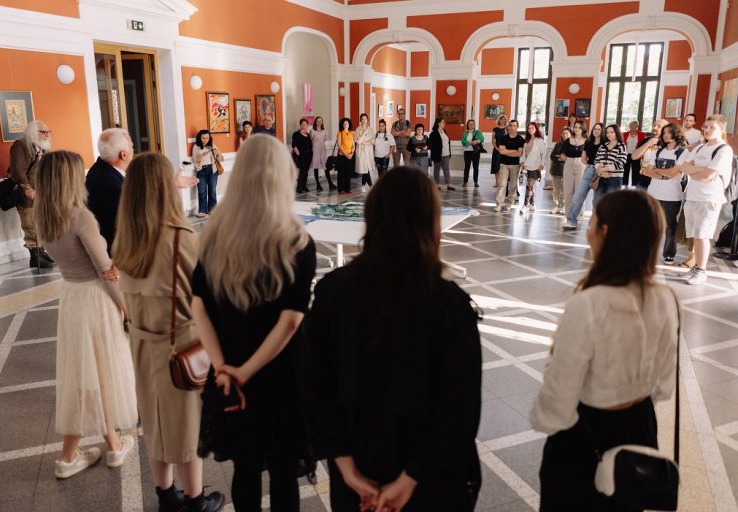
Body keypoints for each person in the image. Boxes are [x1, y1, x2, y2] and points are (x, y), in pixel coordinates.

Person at [301, 166, 482, 512]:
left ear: (371, 217)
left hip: (357, 471)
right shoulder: (450, 305)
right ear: (430, 223)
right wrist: (409, 479)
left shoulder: (333, 292)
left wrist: (346, 467)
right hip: (430, 481)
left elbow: (313, 386)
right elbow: (460, 407)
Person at [531, 189, 679, 512]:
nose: (588, 232)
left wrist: (548, 421)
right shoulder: (665, 299)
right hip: (640, 428)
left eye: (591, 223)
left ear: (605, 233)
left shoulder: (588, 304)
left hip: (585, 436)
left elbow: (558, 400)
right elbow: (665, 384)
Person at [192, 135, 316, 511]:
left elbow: (199, 307)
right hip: (282, 372)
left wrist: (223, 368)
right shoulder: (296, 241)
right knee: (282, 469)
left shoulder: (214, 236)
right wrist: (246, 372)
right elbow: (290, 321)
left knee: (244, 467)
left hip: (230, 364)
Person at [113, 153, 225, 512]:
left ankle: (166, 496)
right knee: (186, 425)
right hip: (181, 344)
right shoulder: (181, 239)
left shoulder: (124, 240)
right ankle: (195, 501)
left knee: (154, 422)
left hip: (141, 343)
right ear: (166, 188)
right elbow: (207, 296)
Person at [34, 151, 137, 479]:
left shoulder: (44, 217)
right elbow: (105, 270)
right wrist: (126, 307)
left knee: (87, 373)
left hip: (71, 297)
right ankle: (73, 456)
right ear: (69, 178)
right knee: (99, 373)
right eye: (79, 173)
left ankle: (109, 446)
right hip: (95, 299)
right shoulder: (81, 217)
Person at [679, 114, 735, 285]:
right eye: (705, 127)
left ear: (721, 129)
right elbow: (683, 166)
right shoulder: (700, 147)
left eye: (712, 127)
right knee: (696, 234)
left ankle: (701, 271)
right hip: (692, 195)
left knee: (703, 235)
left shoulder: (724, 149)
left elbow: (708, 175)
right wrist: (699, 171)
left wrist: (695, 170)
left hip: (709, 198)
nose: (707, 130)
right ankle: (696, 267)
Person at [9, 120, 55, 268]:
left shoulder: (41, 146)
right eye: (43, 132)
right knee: (30, 223)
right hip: (26, 193)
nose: (47, 135)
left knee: (40, 223)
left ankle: (41, 251)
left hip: (41, 192)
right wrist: (27, 189)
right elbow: (18, 170)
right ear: (33, 132)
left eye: (48, 132)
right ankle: (35, 257)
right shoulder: (21, 145)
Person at [641, 123, 688, 265]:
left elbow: (673, 173)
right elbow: (647, 171)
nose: (666, 135)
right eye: (664, 132)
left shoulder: (683, 152)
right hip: (653, 193)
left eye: (669, 132)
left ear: (676, 134)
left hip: (672, 195)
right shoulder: (658, 151)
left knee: (670, 225)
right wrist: (664, 175)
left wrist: (657, 170)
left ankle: (669, 253)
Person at [86, 128, 133, 254]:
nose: (133, 151)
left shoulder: (98, 170)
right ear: (123, 155)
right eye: (132, 148)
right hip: (116, 251)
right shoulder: (111, 182)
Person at [563, 122, 605, 230]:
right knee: (578, 196)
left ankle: (593, 223)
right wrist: (590, 166)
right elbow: (583, 157)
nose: (596, 131)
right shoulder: (588, 141)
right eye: (595, 129)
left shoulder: (605, 143)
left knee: (596, 199)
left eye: (599, 129)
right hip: (589, 169)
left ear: (602, 131)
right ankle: (571, 221)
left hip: (601, 171)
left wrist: (600, 168)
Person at [592, 124, 626, 205]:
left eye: (611, 132)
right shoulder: (603, 146)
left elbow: (619, 163)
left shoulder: (621, 146)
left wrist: (602, 169)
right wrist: (601, 172)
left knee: (611, 204)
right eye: (607, 132)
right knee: (597, 202)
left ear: (617, 133)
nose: (609, 134)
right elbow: (596, 160)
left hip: (615, 179)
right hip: (602, 178)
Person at [192, 129, 223, 218]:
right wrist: (203, 155)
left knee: (212, 191)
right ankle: (202, 211)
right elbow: (195, 160)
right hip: (201, 170)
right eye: (203, 138)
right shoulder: (196, 147)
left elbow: (221, 159)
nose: (205, 140)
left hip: (212, 170)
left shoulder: (213, 146)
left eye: (207, 138)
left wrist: (217, 153)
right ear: (199, 138)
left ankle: (212, 210)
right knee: (202, 191)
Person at [631, 118, 669, 190]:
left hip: (660, 184)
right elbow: (634, 156)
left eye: (659, 126)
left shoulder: (669, 143)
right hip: (643, 182)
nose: (655, 128)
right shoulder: (646, 140)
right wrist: (648, 143)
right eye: (654, 125)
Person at [494, 122, 524, 211]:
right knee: (502, 184)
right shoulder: (504, 138)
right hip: (504, 164)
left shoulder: (520, 139)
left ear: (517, 127)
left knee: (513, 185)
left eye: (515, 126)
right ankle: (499, 204)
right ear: (509, 127)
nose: (513, 127)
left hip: (515, 165)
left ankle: (509, 203)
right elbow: (501, 151)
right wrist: (514, 151)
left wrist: (507, 151)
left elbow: (519, 154)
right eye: (511, 125)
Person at [520, 122, 548, 213]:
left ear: (536, 129)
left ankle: (525, 205)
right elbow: (523, 154)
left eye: (532, 128)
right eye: (529, 128)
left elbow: (544, 154)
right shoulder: (526, 141)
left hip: (535, 167)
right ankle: (532, 204)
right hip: (526, 167)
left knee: (529, 186)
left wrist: (542, 165)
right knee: (531, 187)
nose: (530, 130)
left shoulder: (540, 141)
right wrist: (522, 161)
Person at [429, 118, 455, 191]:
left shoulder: (444, 132)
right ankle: (436, 184)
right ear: (438, 123)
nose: (444, 123)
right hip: (438, 155)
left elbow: (447, 143)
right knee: (437, 170)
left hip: (446, 154)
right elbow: (431, 145)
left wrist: (449, 153)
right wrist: (433, 155)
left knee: (446, 169)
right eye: (443, 122)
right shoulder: (433, 134)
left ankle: (449, 184)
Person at [310, 116, 335, 191]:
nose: (319, 122)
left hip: (323, 151)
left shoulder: (324, 131)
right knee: (316, 168)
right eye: (318, 121)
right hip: (315, 151)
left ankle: (330, 184)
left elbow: (324, 141)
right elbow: (310, 141)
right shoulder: (312, 131)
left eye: (321, 121)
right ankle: (318, 184)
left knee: (325, 167)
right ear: (315, 122)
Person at [549, 127, 571, 214]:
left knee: (565, 190)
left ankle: (563, 207)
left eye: (567, 133)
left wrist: (562, 157)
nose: (565, 135)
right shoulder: (558, 144)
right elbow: (552, 156)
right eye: (563, 133)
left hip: (567, 170)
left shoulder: (572, 145)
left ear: (570, 135)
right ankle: (556, 206)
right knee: (556, 190)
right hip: (556, 169)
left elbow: (571, 157)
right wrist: (560, 158)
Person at [355, 113, 376, 192]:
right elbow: (358, 141)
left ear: (367, 120)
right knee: (365, 169)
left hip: (369, 151)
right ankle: (371, 186)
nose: (364, 121)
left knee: (366, 169)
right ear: (360, 120)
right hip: (361, 152)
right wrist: (364, 134)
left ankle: (363, 186)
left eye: (365, 119)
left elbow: (373, 140)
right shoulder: (358, 129)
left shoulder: (370, 129)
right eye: (362, 119)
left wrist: (366, 142)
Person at [461, 119, 484, 188]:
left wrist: (476, 141)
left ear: (474, 125)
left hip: (476, 152)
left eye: (472, 124)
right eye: (470, 124)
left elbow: (482, 139)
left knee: (476, 167)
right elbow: (463, 141)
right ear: (467, 125)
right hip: (467, 151)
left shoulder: (478, 132)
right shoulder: (465, 133)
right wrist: (470, 143)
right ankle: (465, 181)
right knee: (467, 167)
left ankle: (476, 182)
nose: (471, 125)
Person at [292, 118, 313, 193]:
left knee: (306, 171)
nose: (304, 125)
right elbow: (294, 145)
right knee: (302, 171)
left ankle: (304, 186)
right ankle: (299, 187)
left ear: (307, 125)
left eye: (305, 124)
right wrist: (299, 155)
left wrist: (311, 155)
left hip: (308, 155)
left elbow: (310, 146)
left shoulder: (308, 134)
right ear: (300, 125)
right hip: (301, 155)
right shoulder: (296, 134)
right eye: (302, 124)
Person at [622, 120, 645, 187]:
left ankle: (635, 184)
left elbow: (642, 144)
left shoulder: (641, 134)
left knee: (636, 170)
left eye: (633, 125)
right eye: (630, 125)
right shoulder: (625, 134)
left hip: (636, 155)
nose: (632, 126)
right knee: (626, 169)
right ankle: (625, 184)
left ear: (637, 126)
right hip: (627, 154)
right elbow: (623, 143)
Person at [336, 118, 355, 195]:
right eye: (344, 124)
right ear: (342, 125)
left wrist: (352, 153)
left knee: (348, 172)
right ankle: (341, 189)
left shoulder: (351, 133)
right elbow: (339, 145)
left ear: (349, 124)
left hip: (350, 156)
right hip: (342, 156)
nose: (345, 125)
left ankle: (348, 189)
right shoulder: (340, 133)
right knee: (341, 172)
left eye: (347, 123)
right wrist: (346, 154)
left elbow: (353, 145)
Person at [491, 114, 507, 187]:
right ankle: (497, 182)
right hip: (497, 150)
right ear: (499, 120)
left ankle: (503, 182)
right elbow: (493, 140)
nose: (503, 120)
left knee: (504, 166)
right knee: (496, 166)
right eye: (501, 119)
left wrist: (505, 149)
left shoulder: (507, 129)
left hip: (505, 150)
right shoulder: (495, 129)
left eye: (504, 119)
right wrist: (496, 148)